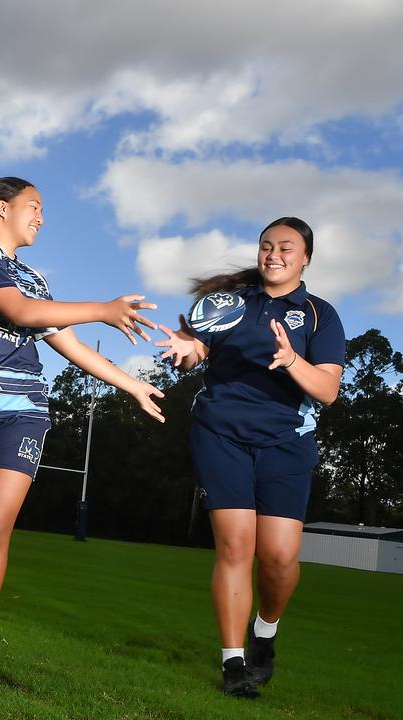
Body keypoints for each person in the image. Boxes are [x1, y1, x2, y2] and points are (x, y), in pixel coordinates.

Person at [0, 176, 167, 682]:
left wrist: (132, 386)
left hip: (23, 411)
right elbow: (19, 311)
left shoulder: (34, 277)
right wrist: (103, 308)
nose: (42, 217)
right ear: (2, 208)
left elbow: (69, 346)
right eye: (35, 207)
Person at [154, 217, 344, 697]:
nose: (273, 254)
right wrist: (185, 351)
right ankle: (233, 664)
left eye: (285, 247)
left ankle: (265, 631)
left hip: (286, 441)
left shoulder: (321, 316)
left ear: (305, 259)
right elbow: (198, 348)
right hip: (221, 435)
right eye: (266, 246)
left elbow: (327, 390)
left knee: (279, 557)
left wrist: (292, 361)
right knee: (236, 547)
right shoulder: (229, 304)